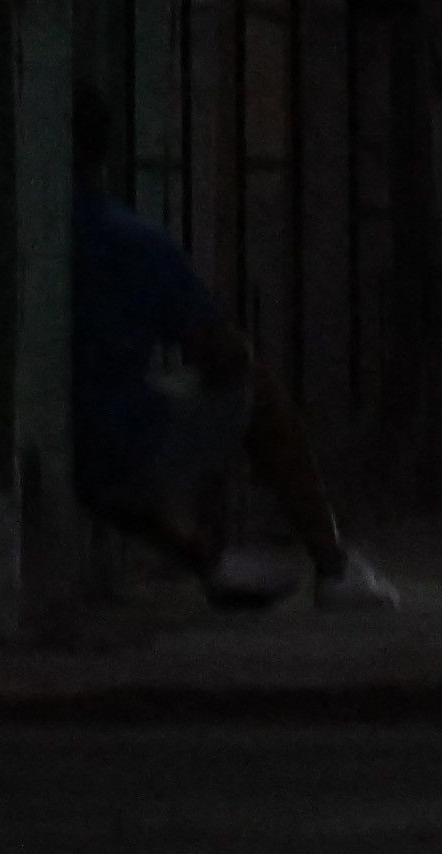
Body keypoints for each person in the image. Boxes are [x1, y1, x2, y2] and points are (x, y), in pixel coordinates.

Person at [68, 94, 395, 611]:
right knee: (255, 389)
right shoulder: (127, 239)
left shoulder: (37, 225)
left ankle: (209, 560)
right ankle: (332, 565)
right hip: (107, 443)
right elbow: (223, 354)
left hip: (66, 437)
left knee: (117, 431)